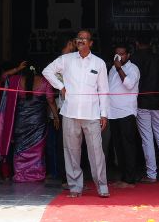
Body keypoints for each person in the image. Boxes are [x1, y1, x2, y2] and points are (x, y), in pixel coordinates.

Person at [42, 29, 111, 198]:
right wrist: (61, 87)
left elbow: (104, 90)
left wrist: (104, 114)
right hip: (70, 113)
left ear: (91, 43)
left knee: (96, 152)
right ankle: (75, 187)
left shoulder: (99, 63)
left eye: (84, 39)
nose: (80, 41)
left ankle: (102, 187)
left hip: (92, 114)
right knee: (71, 152)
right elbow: (47, 71)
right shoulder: (66, 59)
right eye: (78, 38)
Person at [132, 33, 159, 183]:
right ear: (151, 43)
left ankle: (152, 174)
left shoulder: (133, 59)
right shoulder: (158, 59)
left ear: (137, 43)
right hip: (157, 102)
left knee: (147, 138)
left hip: (141, 103)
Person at [12, 60, 59, 182]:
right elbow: (51, 100)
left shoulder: (16, 81)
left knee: (20, 147)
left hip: (20, 122)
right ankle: (36, 174)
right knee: (38, 149)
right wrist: (56, 117)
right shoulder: (44, 81)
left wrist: (16, 69)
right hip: (38, 122)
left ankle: (20, 174)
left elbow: (3, 77)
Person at [104, 42, 140, 188]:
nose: (118, 57)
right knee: (118, 147)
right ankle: (124, 177)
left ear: (128, 55)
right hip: (113, 113)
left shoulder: (133, 68)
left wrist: (119, 68)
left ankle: (130, 180)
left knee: (128, 146)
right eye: (116, 54)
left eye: (122, 54)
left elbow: (129, 84)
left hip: (126, 112)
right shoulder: (112, 68)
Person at [46, 34, 75, 181]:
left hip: (66, 107)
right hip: (65, 107)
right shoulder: (63, 61)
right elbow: (47, 74)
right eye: (74, 42)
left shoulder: (69, 59)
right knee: (67, 145)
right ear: (69, 43)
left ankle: (67, 176)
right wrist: (62, 87)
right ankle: (66, 177)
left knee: (68, 144)